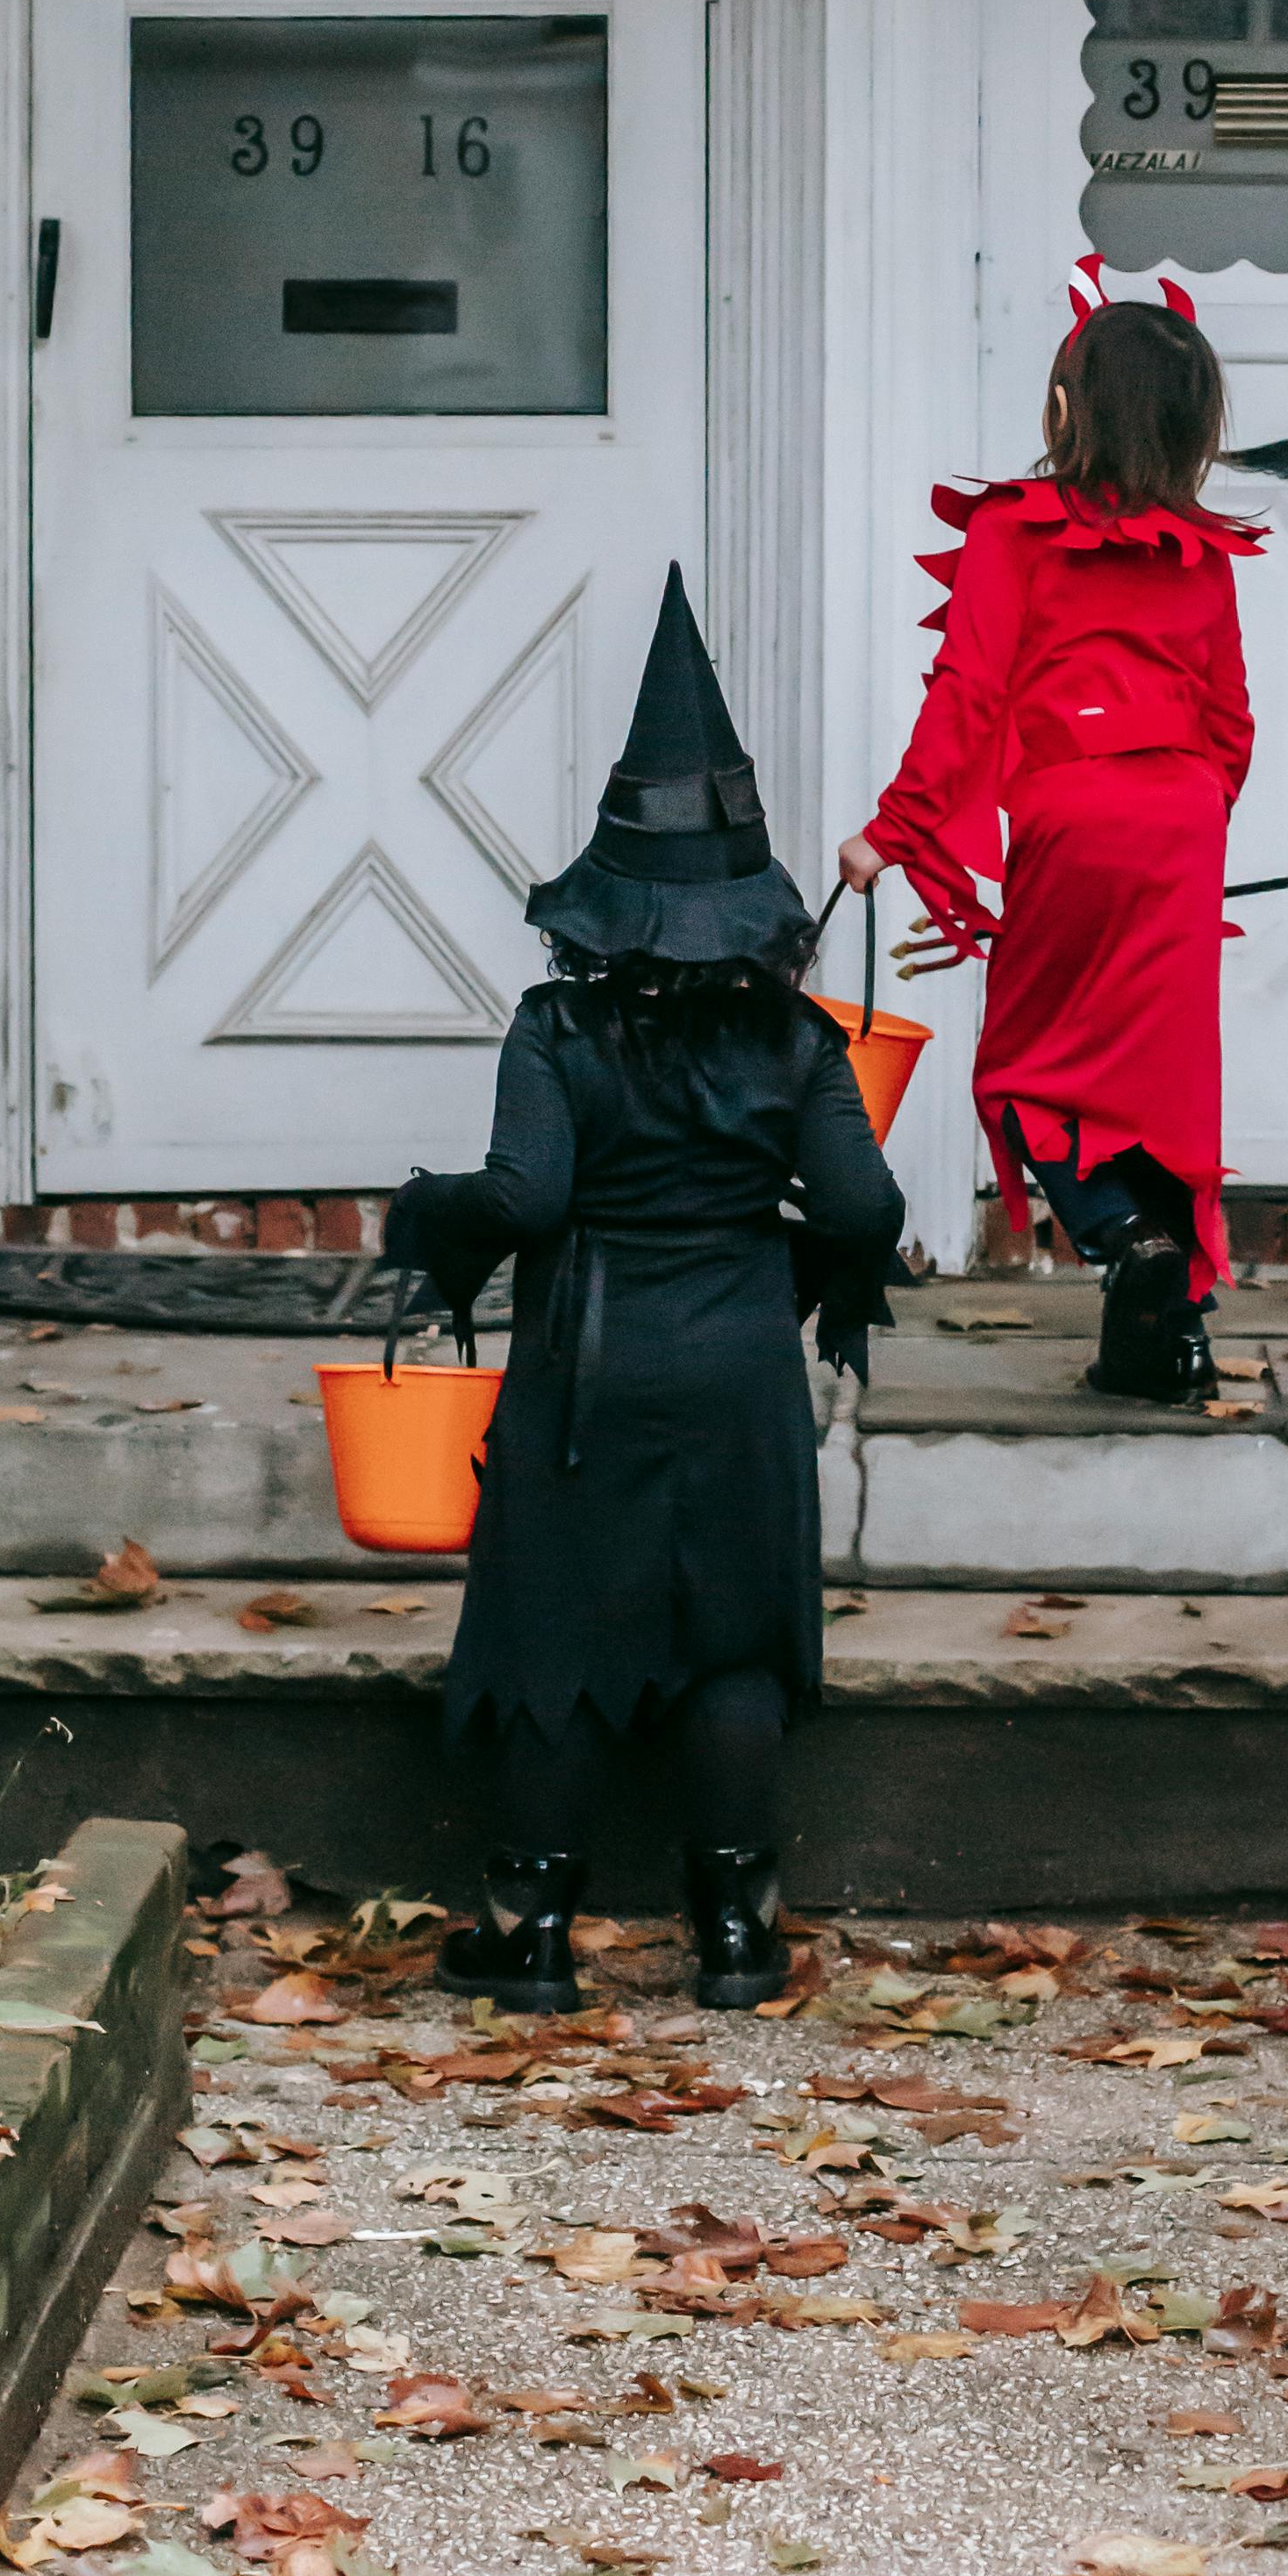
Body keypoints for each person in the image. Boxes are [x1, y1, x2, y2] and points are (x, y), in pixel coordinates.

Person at [385, 568, 902, 2013]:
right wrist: (801, 1270)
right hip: (737, 1359)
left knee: (554, 1626)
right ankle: (735, 1940)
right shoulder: (797, 1041)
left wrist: (426, 1220)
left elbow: (527, 1199)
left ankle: (532, 1939)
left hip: (582, 1367)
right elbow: (865, 1206)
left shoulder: (555, 1027)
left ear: (603, 903)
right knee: (734, 1631)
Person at [842, 270, 1257, 1408]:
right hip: (1181, 821)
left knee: (1031, 1065)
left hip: (1077, 816)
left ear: (1067, 412)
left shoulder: (1012, 535)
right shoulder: (1203, 554)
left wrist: (895, 832)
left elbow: (967, 692)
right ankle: (1169, 1342)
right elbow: (1231, 719)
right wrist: (1196, 819)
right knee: (1165, 1087)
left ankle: (1127, 1237)